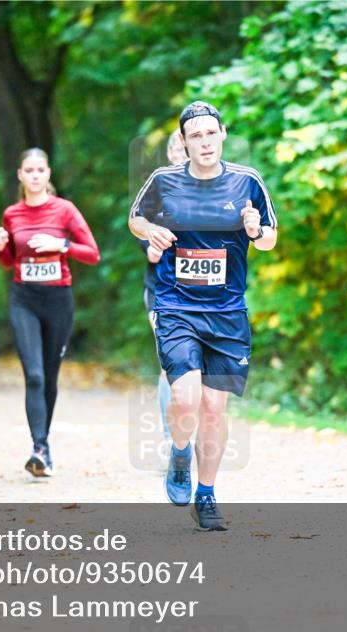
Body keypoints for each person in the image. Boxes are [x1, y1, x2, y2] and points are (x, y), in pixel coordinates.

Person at [129, 101, 279, 530]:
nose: (205, 141)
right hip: (176, 305)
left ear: (223, 134)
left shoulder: (248, 182)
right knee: (185, 399)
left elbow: (270, 239)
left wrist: (255, 231)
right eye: (195, 135)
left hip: (228, 311)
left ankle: (207, 495)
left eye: (210, 133)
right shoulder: (163, 181)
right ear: (184, 142)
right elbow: (135, 219)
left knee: (215, 409)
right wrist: (150, 231)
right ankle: (180, 454)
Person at [0, 148, 100, 478]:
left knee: (49, 376)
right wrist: (0, 247)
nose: (35, 175)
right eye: (29, 170)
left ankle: (45, 445)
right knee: (34, 375)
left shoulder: (64, 210)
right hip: (24, 299)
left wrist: (61, 246)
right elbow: (11, 261)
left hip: (58, 301)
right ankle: (38, 448)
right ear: (20, 176)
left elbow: (92, 254)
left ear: (48, 174)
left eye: (41, 169)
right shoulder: (12, 214)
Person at [140, 132, 187, 458]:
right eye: (176, 148)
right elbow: (146, 241)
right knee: (170, 364)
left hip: (202, 294)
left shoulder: (211, 189)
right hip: (162, 291)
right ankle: (172, 440)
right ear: (169, 153)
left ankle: (188, 433)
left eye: (186, 148)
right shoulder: (157, 191)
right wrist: (154, 245)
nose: (181, 154)